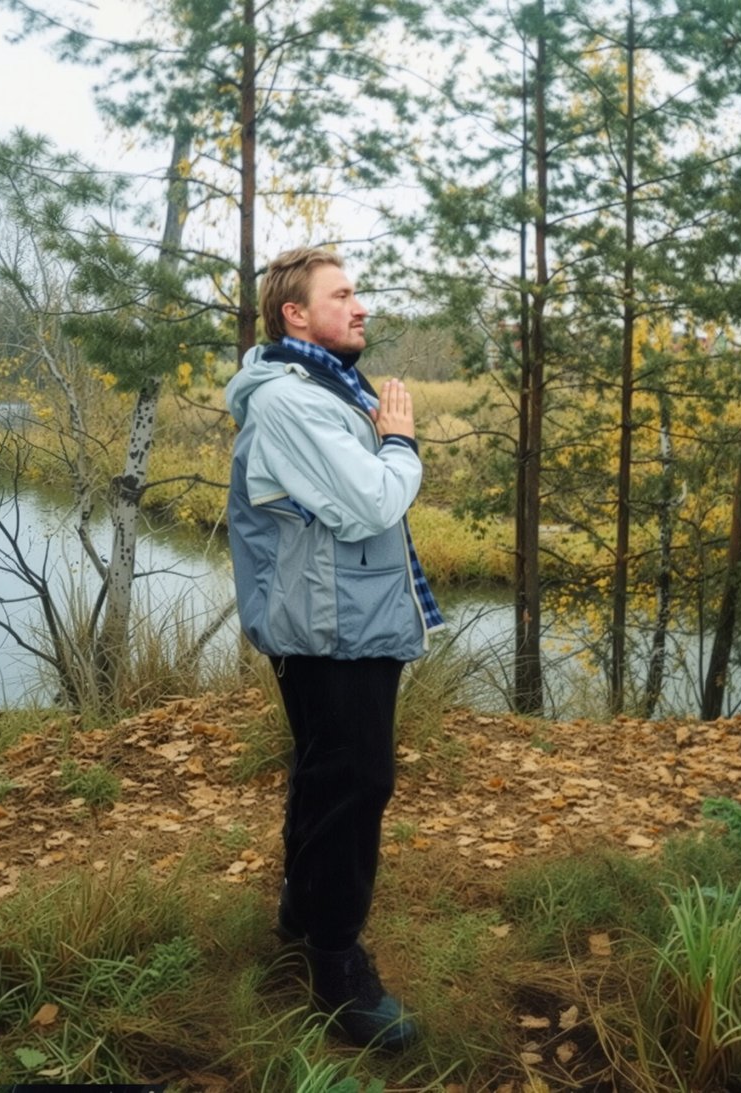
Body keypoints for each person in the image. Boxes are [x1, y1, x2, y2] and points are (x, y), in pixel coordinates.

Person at [224, 247, 442, 1052]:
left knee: (326, 770)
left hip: (338, 618)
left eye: (358, 294)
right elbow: (373, 501)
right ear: (294, 315)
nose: (361, 307)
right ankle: (338, 967)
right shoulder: (292, 403)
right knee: (357, 781)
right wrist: (401, 441)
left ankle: (301, 909)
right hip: (333, 628)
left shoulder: (321, 388)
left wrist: (380, 436)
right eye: (342, 295)